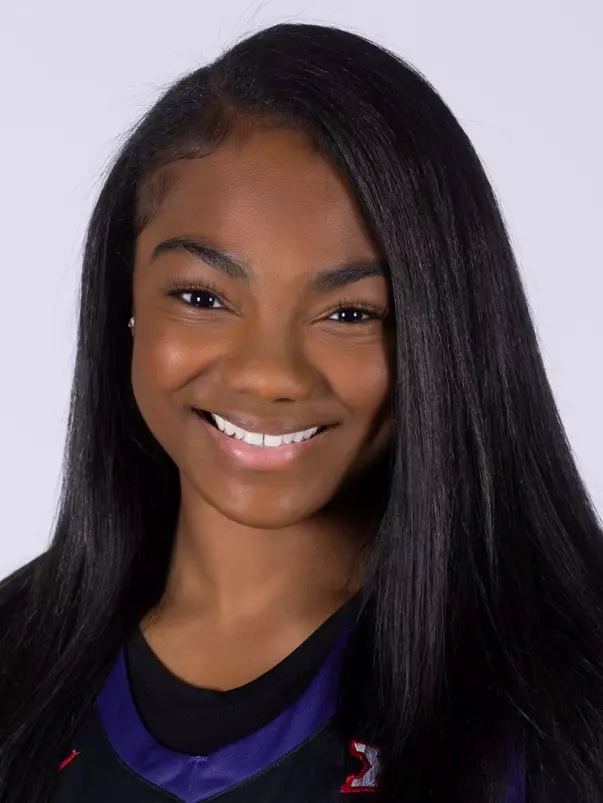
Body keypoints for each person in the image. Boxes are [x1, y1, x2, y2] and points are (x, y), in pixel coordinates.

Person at [0, 20, 602, 803]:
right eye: (201, 296)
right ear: (125, 302)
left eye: (349, 312)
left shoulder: (561, 696)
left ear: (444, 329)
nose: (269, 375)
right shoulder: (16, 657)